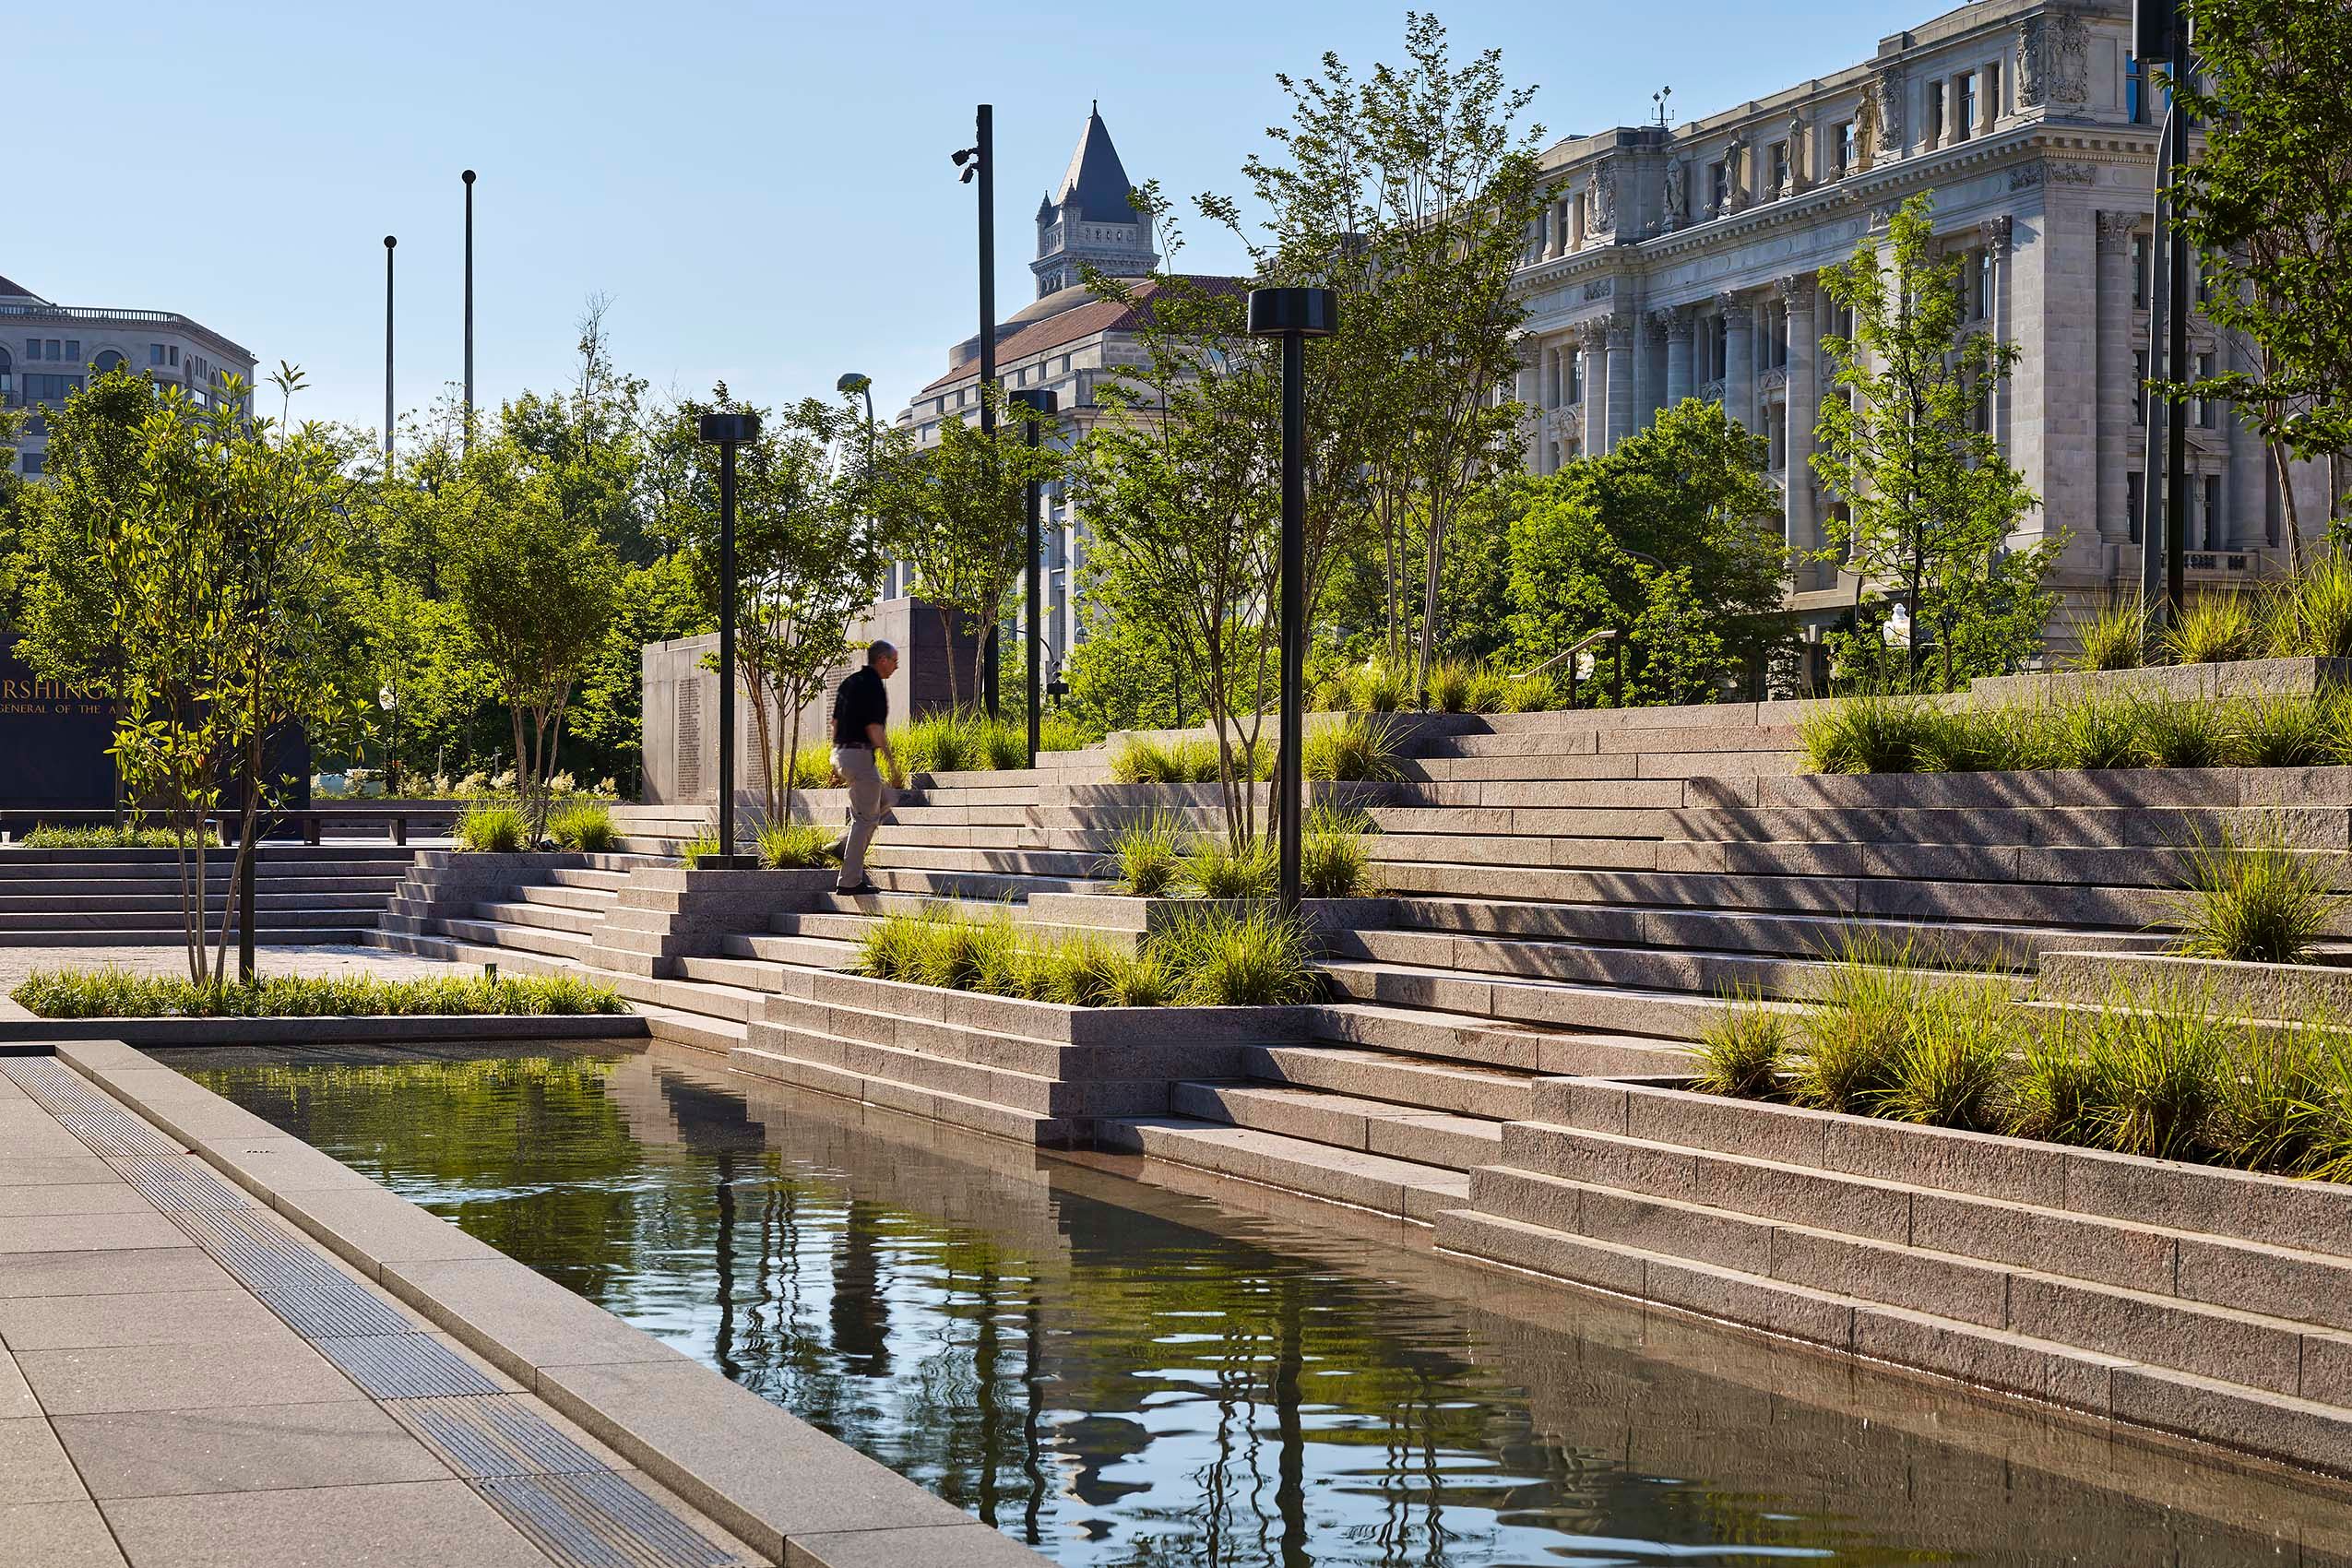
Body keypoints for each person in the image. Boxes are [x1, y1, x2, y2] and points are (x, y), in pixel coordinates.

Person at [830, 640, 902, 894]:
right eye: (894, 661)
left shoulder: (850, 682)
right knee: (865, 819)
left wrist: (835, 762)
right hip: (860, 757)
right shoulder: (873, 686)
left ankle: (842, 845)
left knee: (886, 799)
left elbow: (836, 722)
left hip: (841, 755)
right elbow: (874, 729)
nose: (896, 666)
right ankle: (849, 882)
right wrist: (893, 765)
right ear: (881, 659)